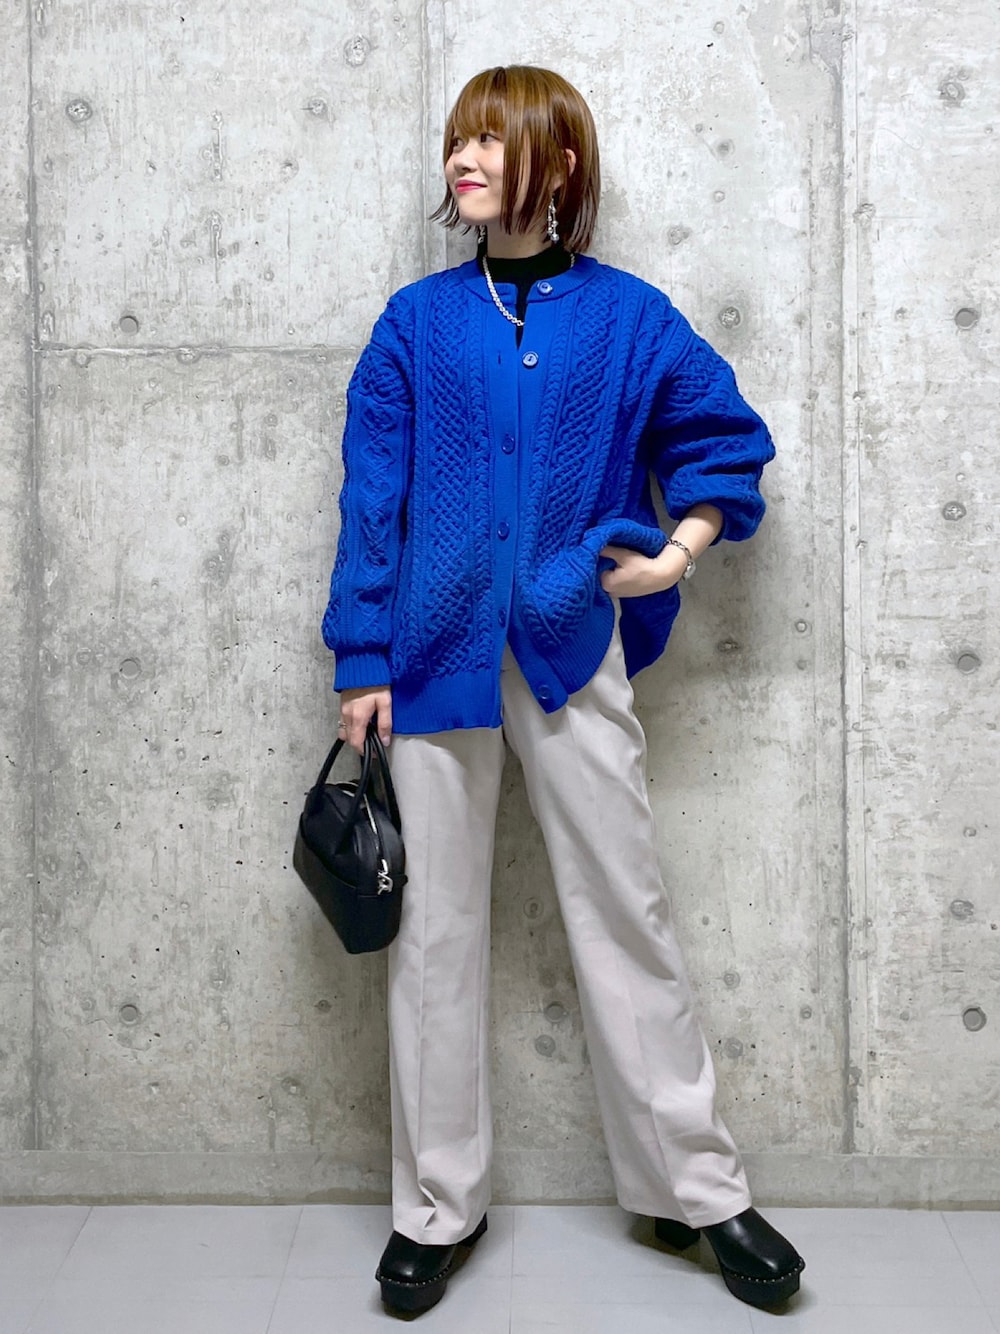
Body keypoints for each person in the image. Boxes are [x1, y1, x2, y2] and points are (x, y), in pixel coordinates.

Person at [321, 64, 805, 1315]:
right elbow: (372, 500)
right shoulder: (415, 322)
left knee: (624, 911)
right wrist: (362, 655)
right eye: (457, 141)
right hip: (428, 663)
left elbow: (723, 440)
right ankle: (436, 1204)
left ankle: (695, 1187)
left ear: (558, 161)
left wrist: (675, 552)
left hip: (569, 646)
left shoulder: (631, 318)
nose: (464, 159)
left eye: (490, 138)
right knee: (432, 934)